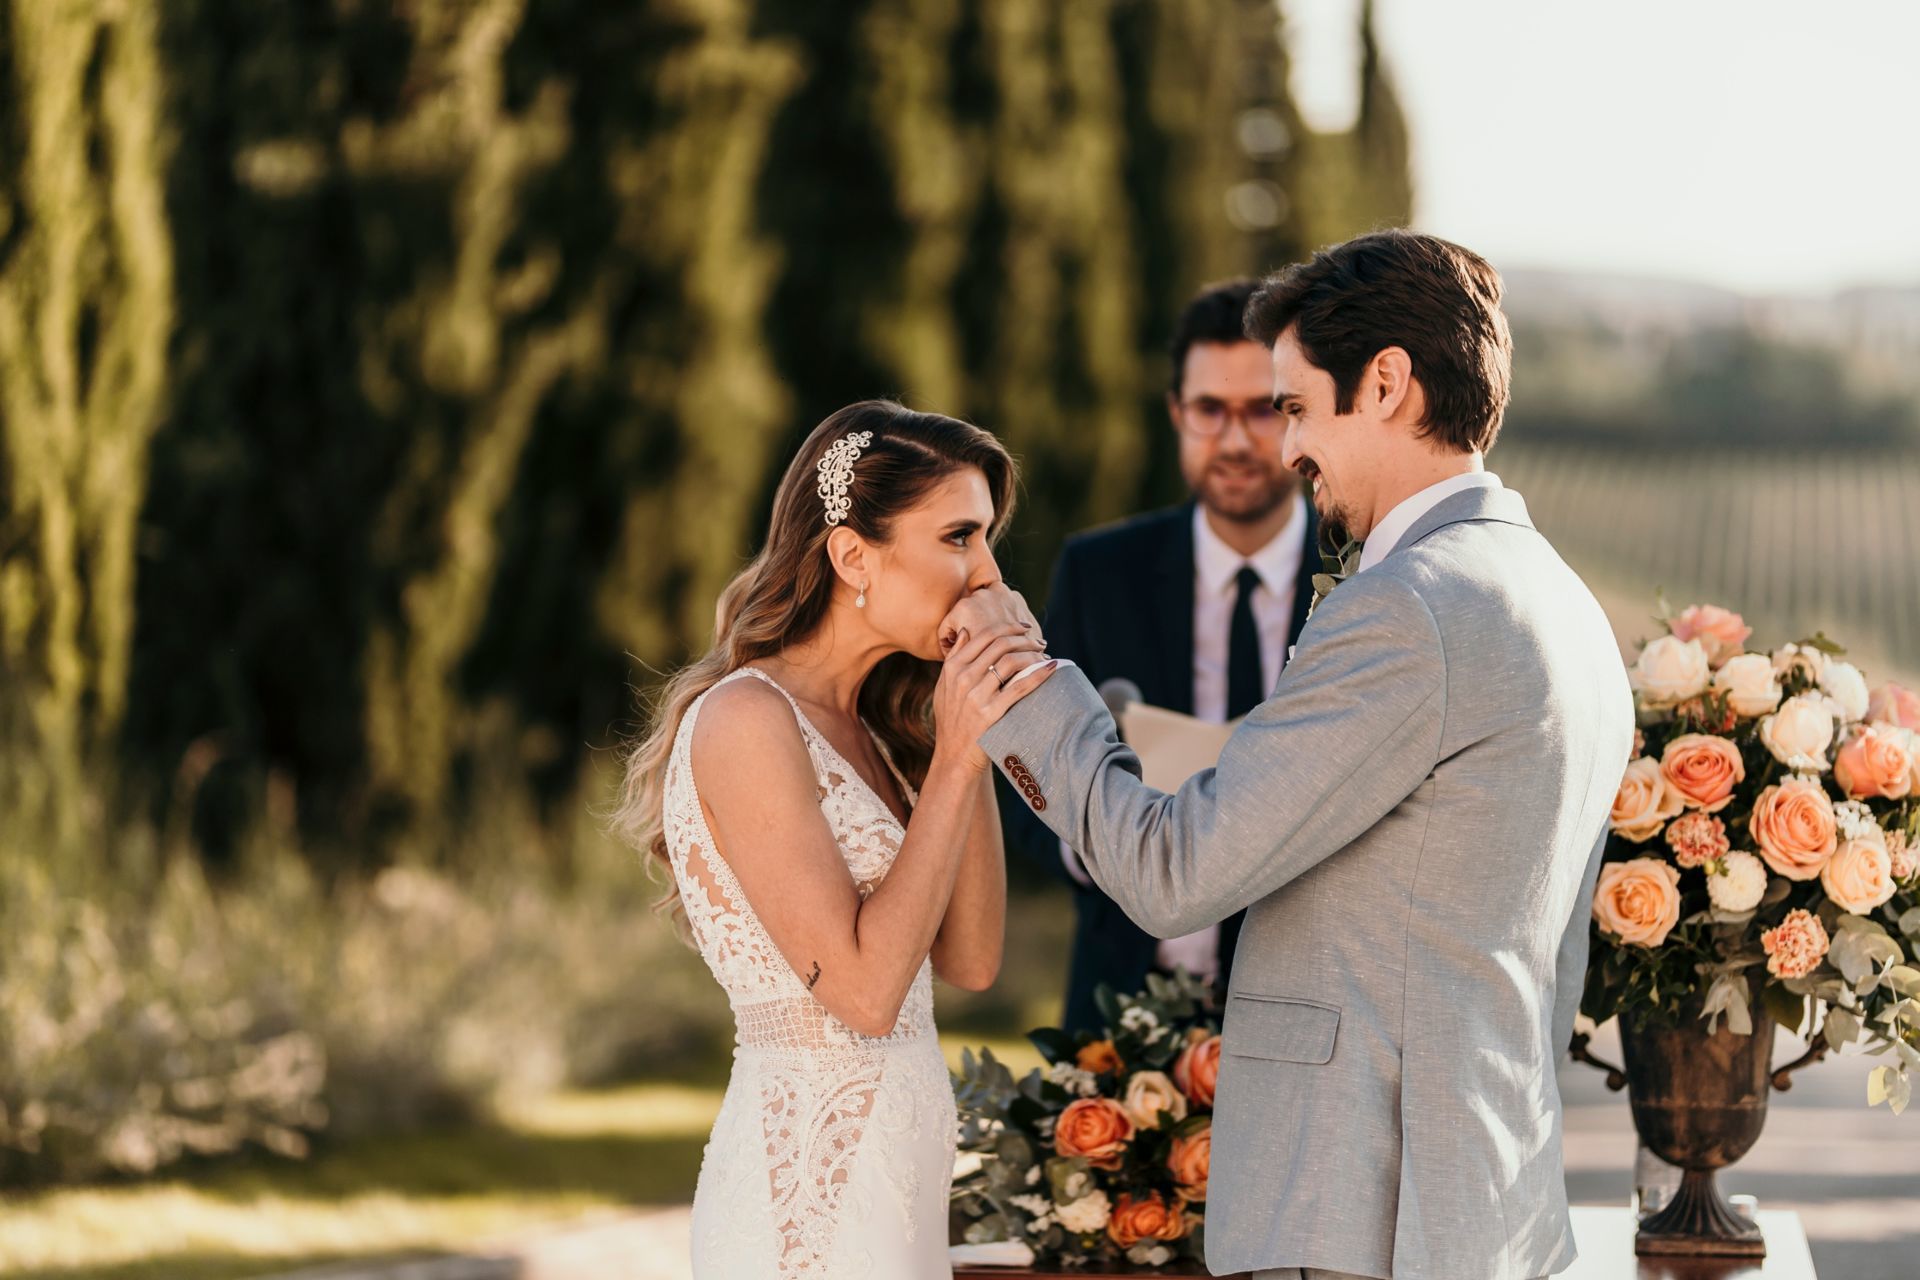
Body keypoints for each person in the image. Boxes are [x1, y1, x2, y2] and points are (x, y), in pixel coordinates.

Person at [943, 231, 1634, 1280]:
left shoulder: (1409, 610)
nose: (1288, 448)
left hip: (1360, 1215)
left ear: (1389, 383)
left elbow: (1178, 873)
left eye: (1299, 407)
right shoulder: (1559, 599)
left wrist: (1025, 682)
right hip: (1475, 1204)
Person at [618, 400, 1055, 1279]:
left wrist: (966, 733)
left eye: (988, 541)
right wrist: (959, 761)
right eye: (960, 536)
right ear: (854, 555)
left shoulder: (886, 735)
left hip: (900, 1186)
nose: (987, 576)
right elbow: (861, 997)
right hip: (806, 1202)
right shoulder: (745, 719)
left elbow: (970, 960)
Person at [1001, 279, 1321, 1031]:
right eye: (1210, 410)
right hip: (1120, 1018)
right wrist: (1106, 847)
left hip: (1301, 1019)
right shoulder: (1099, 572)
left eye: (1263, 410)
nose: (1236, 440)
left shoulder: (1367, 583)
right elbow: (1023, 779)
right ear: (1178, 412)